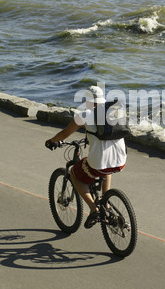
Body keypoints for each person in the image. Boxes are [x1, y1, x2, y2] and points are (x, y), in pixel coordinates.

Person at [45, 86, 127, 229]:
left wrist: (52, 141)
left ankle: (93, 208)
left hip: (100, 163)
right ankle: (105, 201)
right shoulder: (113, 111)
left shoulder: (84, 115)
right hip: (121, 160)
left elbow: (65, 134)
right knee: (105, 170)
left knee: (75, 174)